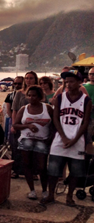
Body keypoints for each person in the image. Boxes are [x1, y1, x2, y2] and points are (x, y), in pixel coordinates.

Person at [42, 70, 92, 206]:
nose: (68, 84)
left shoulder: (86, 100)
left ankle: (69, 196)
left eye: (71, 81)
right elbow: (56, 119)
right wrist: (63, 137)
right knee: (53, 170)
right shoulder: (60, 98)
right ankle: (51, 195)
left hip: (77, 140)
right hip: (60, 139)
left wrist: (75, 140)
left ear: (79, 83)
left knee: (75, 172)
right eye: (66, 81)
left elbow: (85, 123)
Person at [13, 86, 54, 200]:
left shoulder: (48, 108)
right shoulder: (24, 109)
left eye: (34, 95)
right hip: (26, 140)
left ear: (40, 97)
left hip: (42, 140)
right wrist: (27, 126)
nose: (31, 98)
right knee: (27, 165)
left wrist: (51, 137)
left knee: (42, 167)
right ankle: (32, 190)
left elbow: (55, 125)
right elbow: (15, 125)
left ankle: (45, 190)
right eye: (29, 95)